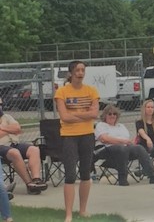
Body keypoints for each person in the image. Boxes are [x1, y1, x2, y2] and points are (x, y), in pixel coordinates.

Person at [54, 60, 99, 222]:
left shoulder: (91, 91)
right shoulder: (62, 92)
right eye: (78, 70)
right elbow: (64, 117)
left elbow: (95, 113)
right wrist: (85, 114)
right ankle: (68, 214)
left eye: (83, 70)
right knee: (70, 174)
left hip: (87, 134)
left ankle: (82, 210)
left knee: (86, 173)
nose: (81, 73)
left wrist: (76, 115)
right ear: (71, 73)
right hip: (69, 136)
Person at [94, 104, 154, 186]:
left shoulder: (121, 126)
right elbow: (104, 139)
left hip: (124, 150)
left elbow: (128, 140)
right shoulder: (101, 125)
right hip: (106, 150)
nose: (112, 116)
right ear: (105, 115)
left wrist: (127, 142)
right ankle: (122, 178)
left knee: (139, 148)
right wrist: (122, 141)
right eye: (109, 114)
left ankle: (153, 176)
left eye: (114, 114)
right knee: (121, 148)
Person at [0, 97, 48, 195]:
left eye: (0, 105)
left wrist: (2, 128)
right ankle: (30, 184)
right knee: (15, 152)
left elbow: (17, 128)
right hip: (2, 146)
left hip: (13, 143)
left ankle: (36, 180)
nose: (0, 107)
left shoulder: (7, 117)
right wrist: (9, 129)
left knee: (34, 149)